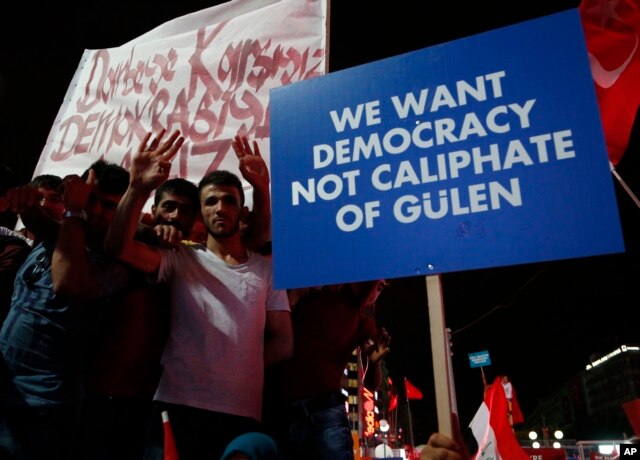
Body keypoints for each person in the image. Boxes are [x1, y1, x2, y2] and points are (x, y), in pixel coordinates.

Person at [104, 129, 292, 460]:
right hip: (176, 407)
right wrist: (137, 187)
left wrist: (236, 366)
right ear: (200, 214)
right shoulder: (180, 258)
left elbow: (283, 342)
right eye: (210, 201)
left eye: (229, 200)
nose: (221, 208)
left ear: (241, 210)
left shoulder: (266, 270)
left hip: (243, 412)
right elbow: (118, 247)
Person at [0, 160, 131, 460]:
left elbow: (68, 283)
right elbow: (40, 222)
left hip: (43, 407)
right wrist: (25, 201)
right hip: (5, 382)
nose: (95, 210)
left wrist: (74, 210)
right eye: (91, 199)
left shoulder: (117, 266)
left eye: (109, 205)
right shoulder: (60, 233)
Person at [263, 280, 391, 460]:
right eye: (377, 284)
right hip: (282, 409)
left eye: (382, 288)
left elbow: (371, 384)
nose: (376, 293)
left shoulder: (363, 324)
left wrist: (375, 363)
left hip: (326, 410)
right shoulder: (316, 289)